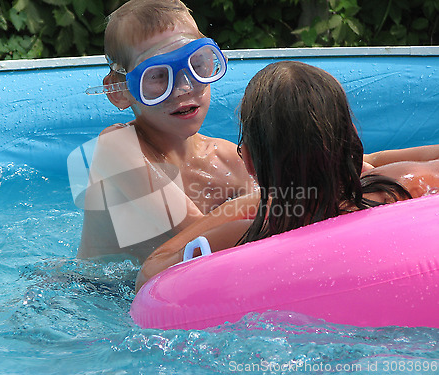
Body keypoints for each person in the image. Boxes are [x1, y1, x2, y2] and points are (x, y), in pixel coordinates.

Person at [136, 60, 439, 290]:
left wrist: (255, 199)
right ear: (352, 139)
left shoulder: (243, 233)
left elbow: (150, 272)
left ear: (251, 163)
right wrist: (361, 162)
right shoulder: (400, 187)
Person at [75, 0, 255, 262]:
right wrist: (260, 202)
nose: (183, 87)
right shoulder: (116, 146)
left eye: (197, 64)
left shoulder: (232, 162)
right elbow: (196, 236)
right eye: (158, 76)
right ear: (121, 91)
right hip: (92, 292)